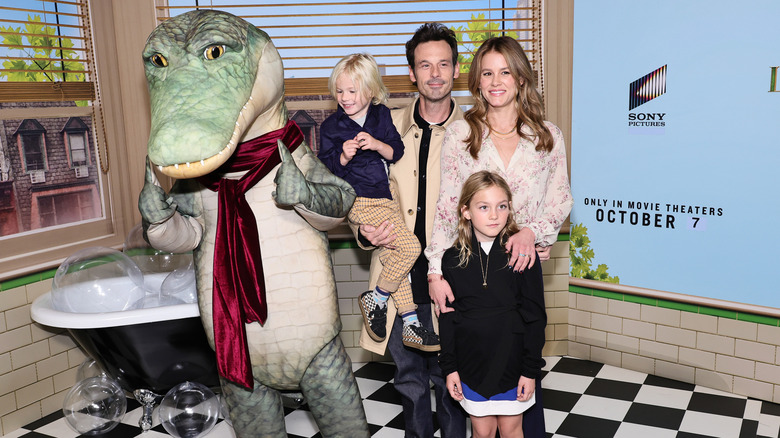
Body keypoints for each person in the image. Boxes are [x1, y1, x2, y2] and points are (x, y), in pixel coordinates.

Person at [425, 36, 574, 437]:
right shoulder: (459, 136)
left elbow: (560, 201)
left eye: (505, 72)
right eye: (487, 73)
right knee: (470, 388)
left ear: (521, 78)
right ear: (476, 81)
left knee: (520, 378)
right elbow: (444, 207)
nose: (495, 81)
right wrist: (435, 272)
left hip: (519, 266)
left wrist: (532, 232)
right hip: (468, 270)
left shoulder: (547, 136)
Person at [352, 23, 468, 437]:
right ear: (412, 73)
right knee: (409, 379)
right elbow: (359, 193)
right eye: (425, 65)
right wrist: (364, 228)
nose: (434, 74)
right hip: (396, 274)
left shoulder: (474, 135)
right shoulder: (383, 127)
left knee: (452, 379)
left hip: (450, 279)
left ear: (456, 70)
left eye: (443, 64)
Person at [318, 53, 439, 351]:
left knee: (392, 258)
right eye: (339, 91)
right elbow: (324, 169)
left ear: (370, 91)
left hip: (387, 197)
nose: (344, 98)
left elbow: (395, 152)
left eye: (352, 90)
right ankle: (377, 298)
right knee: (411, 248)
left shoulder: (381, 116)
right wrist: (343, 156)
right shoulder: (331, 127)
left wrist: (375, 144)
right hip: (359, 200)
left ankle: (411, 323)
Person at [439, 170, 546, 438]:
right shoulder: (452, 258)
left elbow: (535, 317)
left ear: (510, 209)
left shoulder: (522, 255)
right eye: (483, 207)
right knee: (482, 431)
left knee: (511, 429)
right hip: (471, 364)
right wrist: (450, 368)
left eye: (501, 206)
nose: (494, 215)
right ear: (466, 211)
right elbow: (448, 318)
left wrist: (530, 371)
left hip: (512, 362)